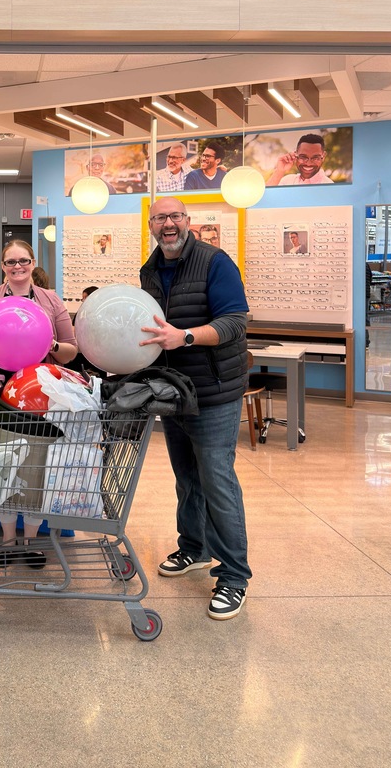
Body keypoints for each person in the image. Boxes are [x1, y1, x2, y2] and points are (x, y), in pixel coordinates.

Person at [138, 196, 251, 620]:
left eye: (175, 216)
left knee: (217, 479)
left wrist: (184, 337)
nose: (168, 224)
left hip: (215, 391)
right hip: (174, 392)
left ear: (187, 221)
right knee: (187, 478)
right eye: (160, 218)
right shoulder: (149, 270)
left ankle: (234, 576)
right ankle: (194, 548)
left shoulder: (214, 262)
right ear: (151, 225)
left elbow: (235, 322)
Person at [0, 240, 77, 566]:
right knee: (3, 467)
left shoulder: (50, 300)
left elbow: (71, 349)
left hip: (41, 394)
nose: (17, 267)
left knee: (36, 469)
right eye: (10, 262)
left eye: (23, 261)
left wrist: (49, 342)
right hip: (1, 396)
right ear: (2, 265)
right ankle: (8, 540)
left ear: (32, 262)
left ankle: (31, 540)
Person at [266, 132, 335, 185]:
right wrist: (279, 171)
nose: (308, 163)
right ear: (295, 154)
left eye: (315, 158)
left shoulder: (329, 186)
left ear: (323, 156)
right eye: (303, 157)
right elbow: (264, 199)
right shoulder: (287, 181)